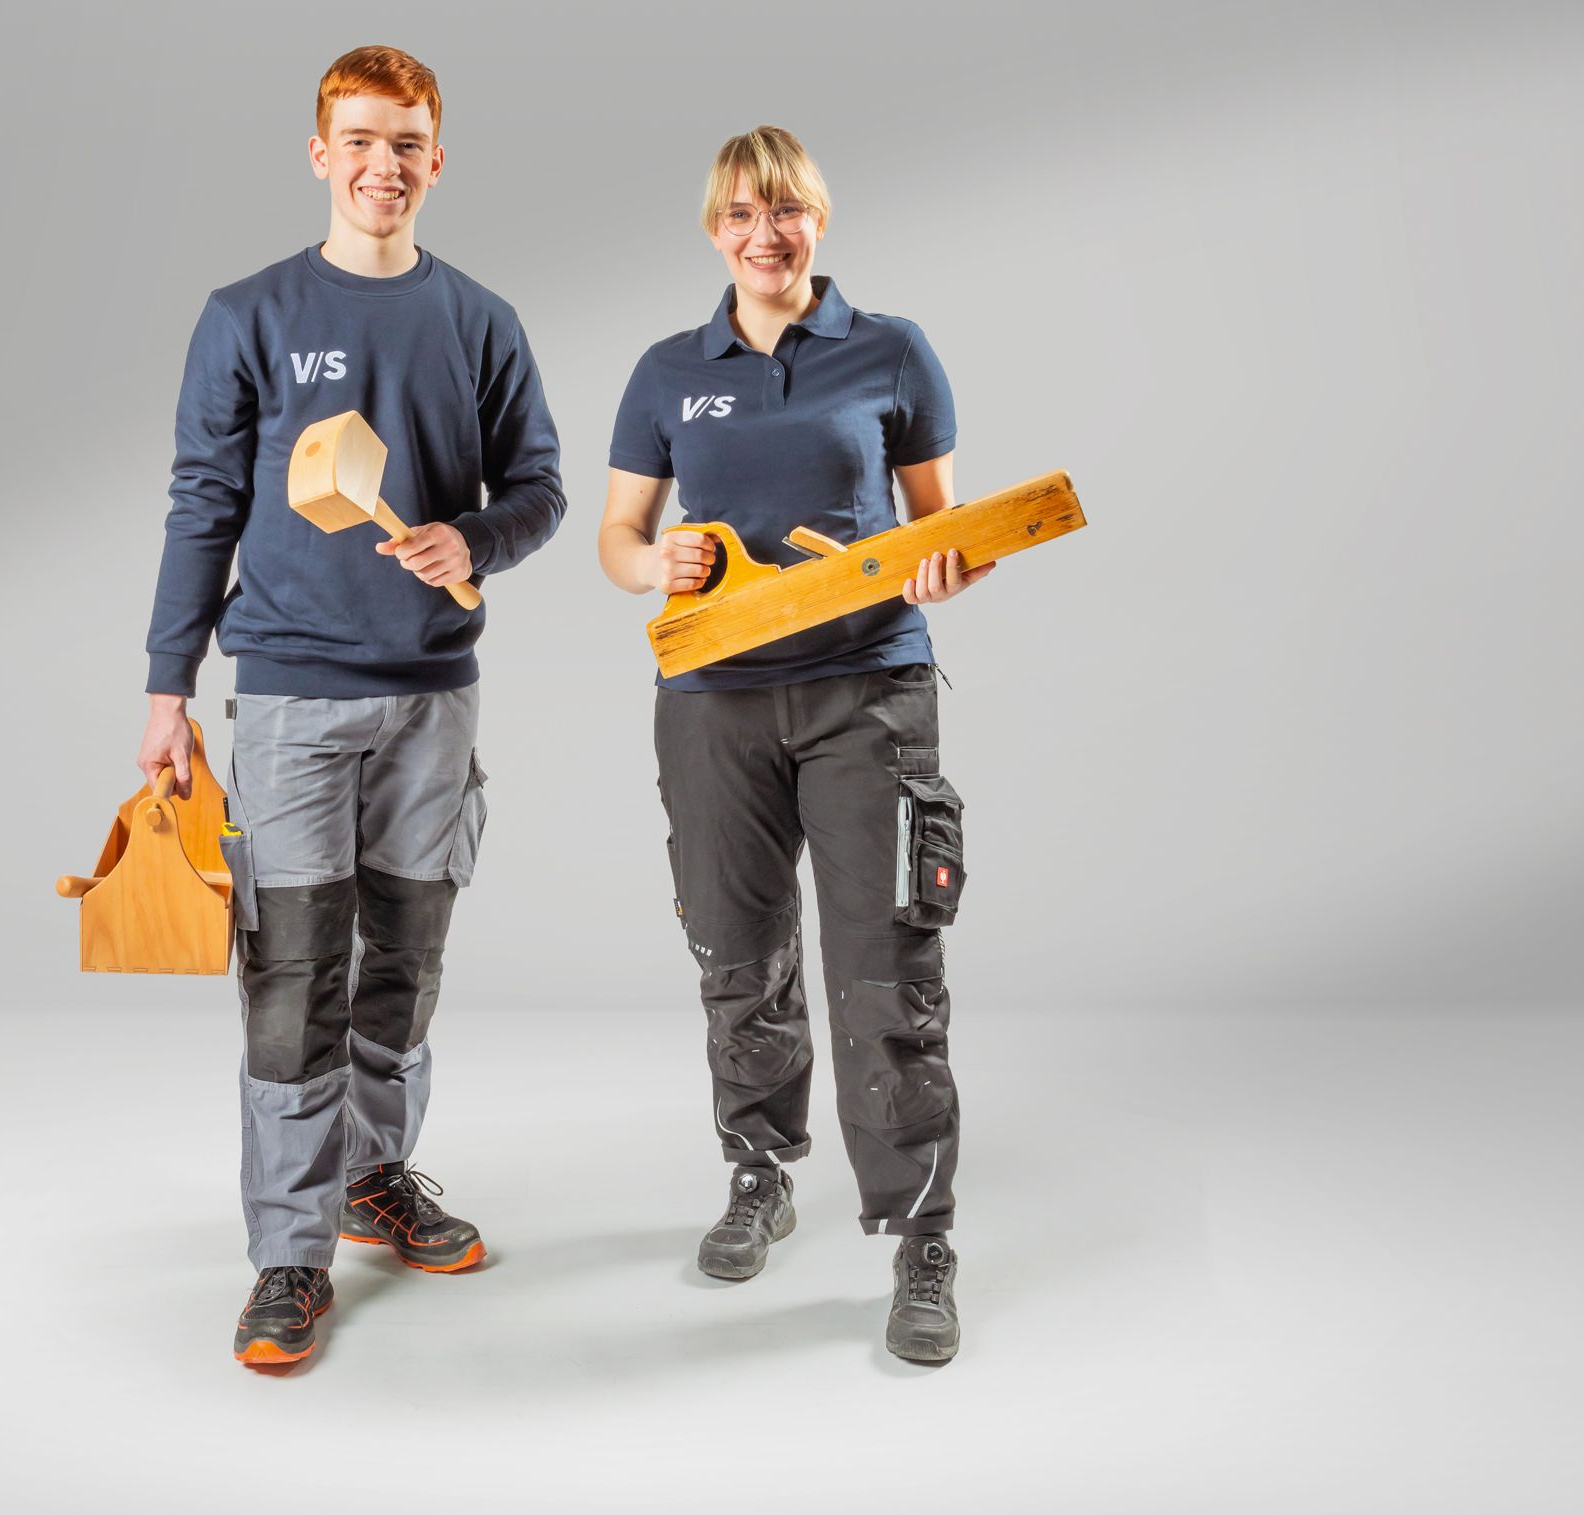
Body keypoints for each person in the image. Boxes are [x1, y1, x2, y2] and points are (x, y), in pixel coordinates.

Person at [139, 45, 565, 1367]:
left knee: (407, 964)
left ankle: (375, 1175)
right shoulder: (247, 314)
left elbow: (540, 486)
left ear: (439, 159)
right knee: (290, 976)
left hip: (434, 699)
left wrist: (473, 543)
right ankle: (287, 1250)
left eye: (410, 142)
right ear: (321, 154)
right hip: (287, 698)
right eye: (361, 140)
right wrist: (167, 686)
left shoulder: (480, 320)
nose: (386, 165)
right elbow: (203, 503)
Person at [597, 125, 992, 1363]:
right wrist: (650, 563)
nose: (764, 237)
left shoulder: (890, 350)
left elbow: (949, 533)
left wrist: (947, 566)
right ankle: (758, 1171)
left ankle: (922, 1235)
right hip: (713, 699)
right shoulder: (670, 368)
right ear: (713, 229)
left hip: (867, 693)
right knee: (738, 950)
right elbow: (618, 538)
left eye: (786, 213)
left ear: (818, 218)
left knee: (887, 966)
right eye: (740, 217)